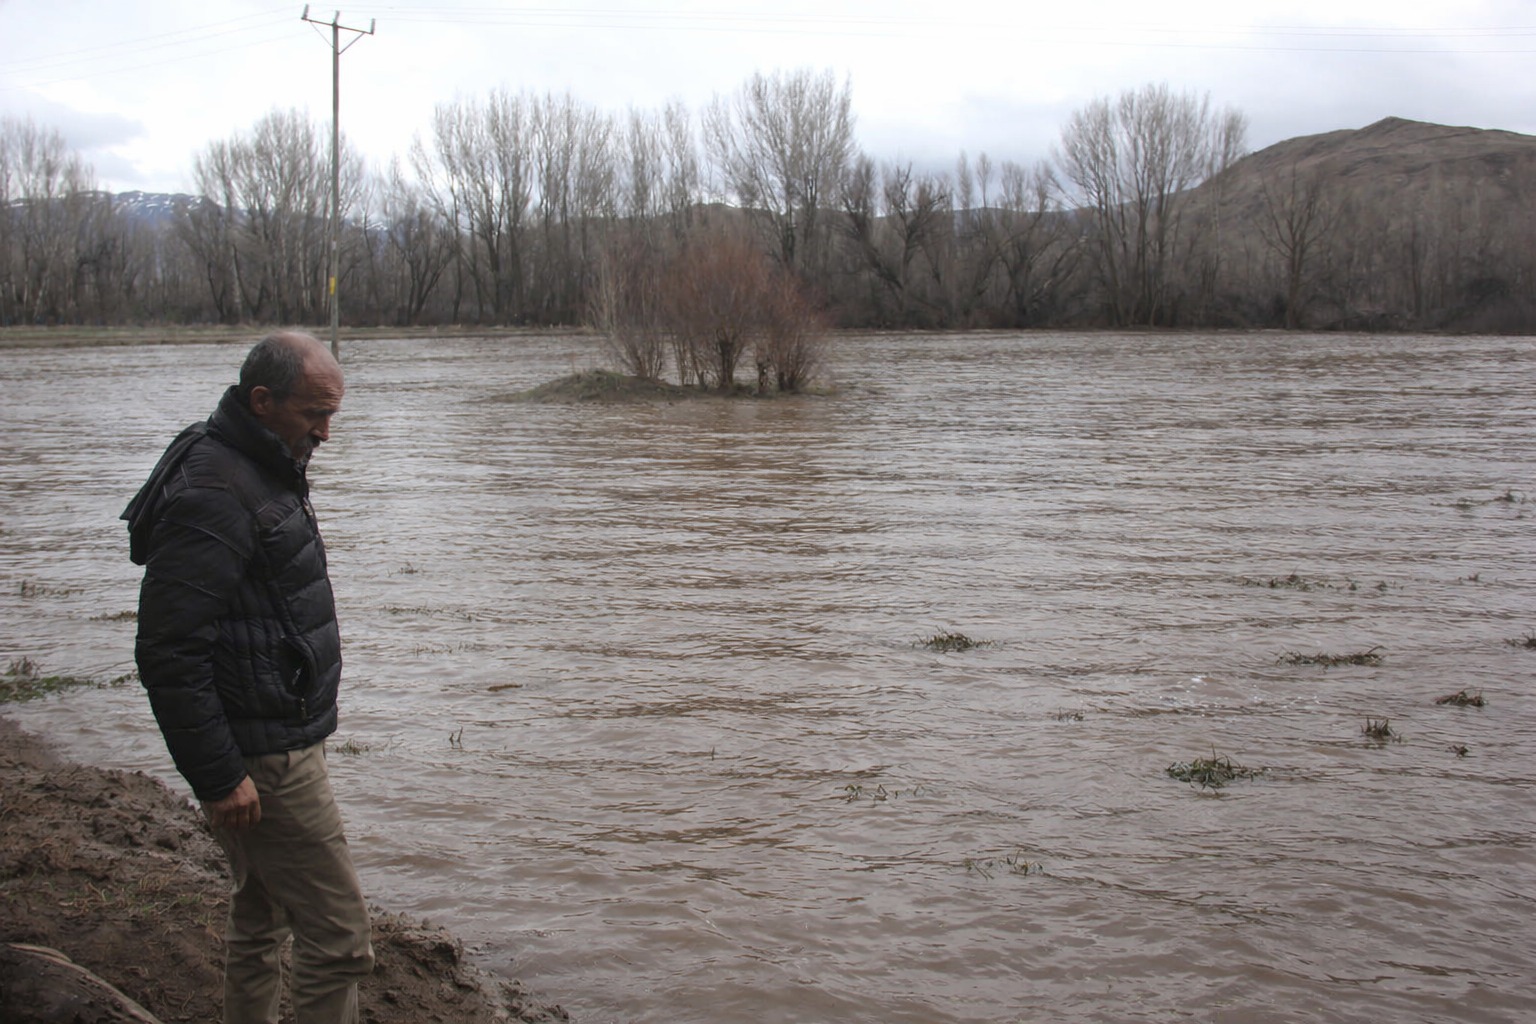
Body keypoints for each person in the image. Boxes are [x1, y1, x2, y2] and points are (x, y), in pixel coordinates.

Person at [122, 331, 373, 1024]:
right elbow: (168, 649)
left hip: (269, 733)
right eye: (313, 415)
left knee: (260, 915)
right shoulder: (216, 487)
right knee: (341, 939)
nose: (325, 433)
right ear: (262, 401)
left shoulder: (254, 458)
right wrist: (217, 774)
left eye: (333, 415)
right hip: (264, 756)